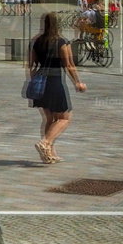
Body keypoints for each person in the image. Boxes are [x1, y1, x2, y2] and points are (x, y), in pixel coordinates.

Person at [28, 11, 86, 163]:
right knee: (64, 118)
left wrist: (33, 82)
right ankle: (45, 143)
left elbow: (31, 65)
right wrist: (78, 82)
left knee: (50, 119)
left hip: (40, 83)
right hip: (54, 82)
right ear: (58, 25)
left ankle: (49, 154)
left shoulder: (36, 41)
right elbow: (69, 65)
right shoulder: (62, 42)